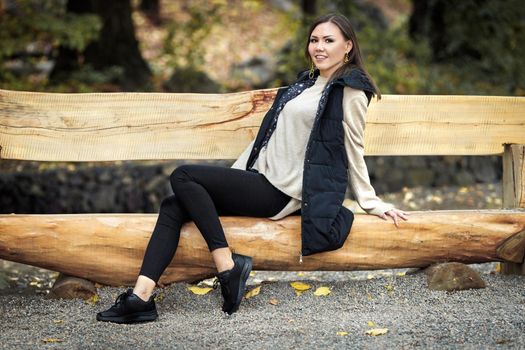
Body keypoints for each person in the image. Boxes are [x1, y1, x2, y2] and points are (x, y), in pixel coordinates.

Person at [96, 12, 409, 324]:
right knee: (174, 205)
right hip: (261, 179)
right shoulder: (305, 84)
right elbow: (268, 138)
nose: (319, 47)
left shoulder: (351, 90)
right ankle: (141, 298)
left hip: (282, 191)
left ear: (348, 47)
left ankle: (227, 266)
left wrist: (371, 202)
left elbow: (353, 147)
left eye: (329, 40)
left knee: (183, 175)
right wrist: (235, 176)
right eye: (314, 40)